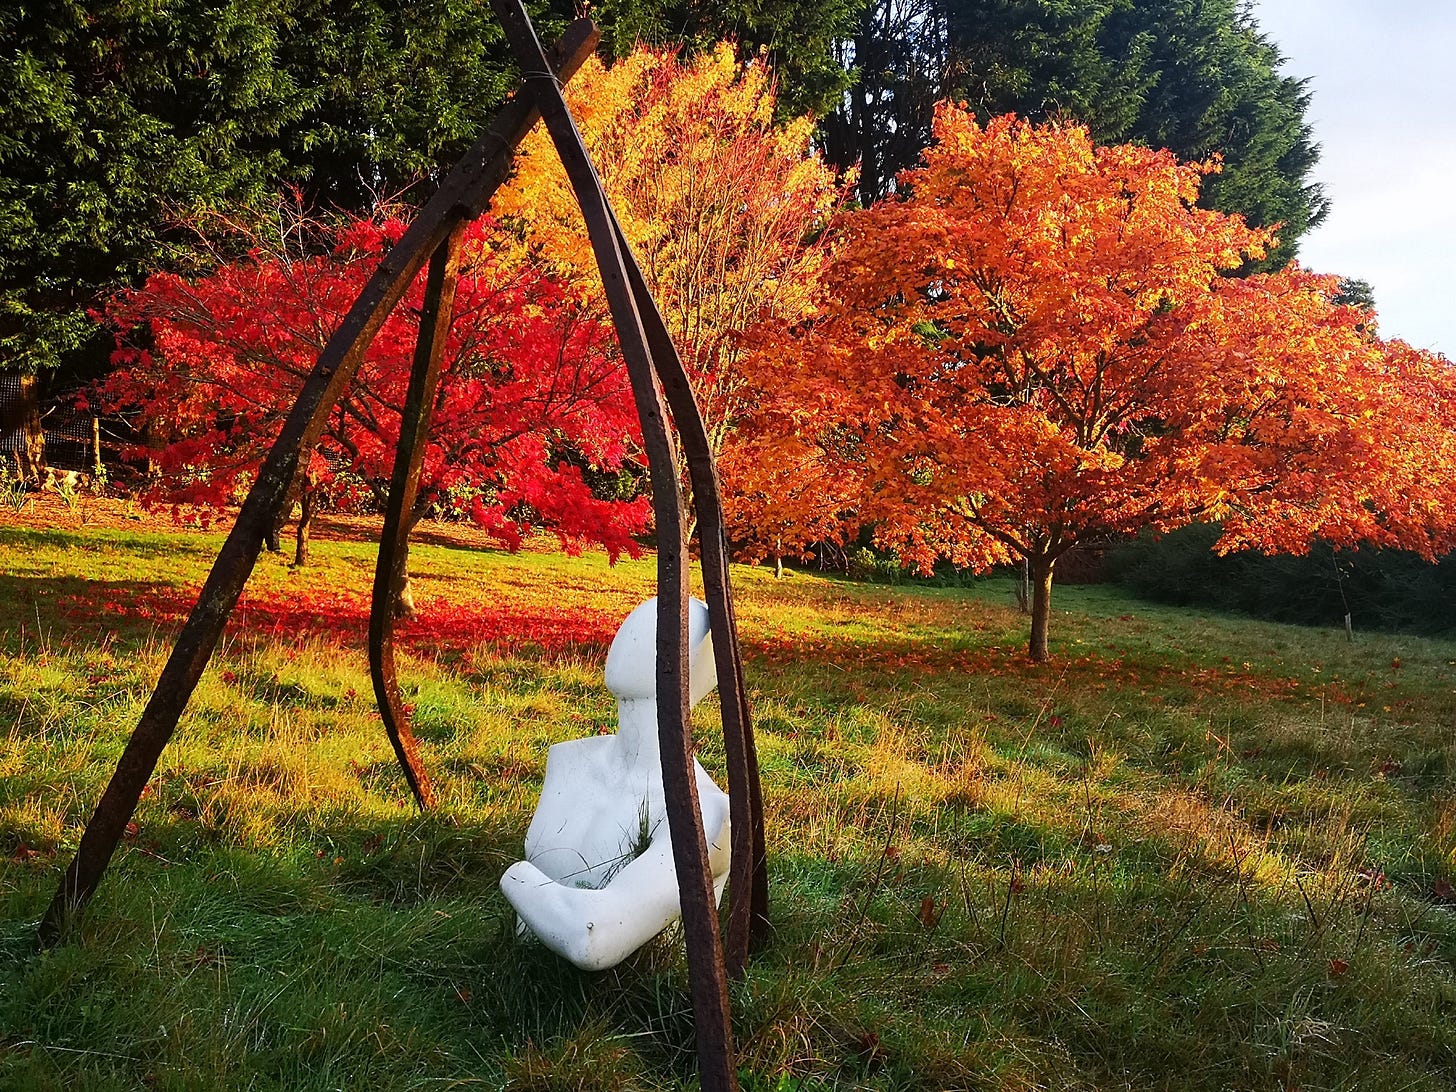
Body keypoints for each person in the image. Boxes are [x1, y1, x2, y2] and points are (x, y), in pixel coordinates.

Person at [500, 597, 731, 971]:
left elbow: (593, 938)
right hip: (514, 984)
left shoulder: (706, 813)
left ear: (703, 667)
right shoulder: (572, 760)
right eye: (638, 619)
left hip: (626, 1003)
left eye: (665, 628)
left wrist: (514, 877)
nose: (637, 632)